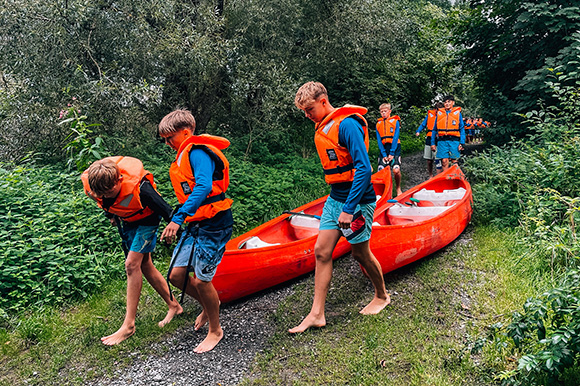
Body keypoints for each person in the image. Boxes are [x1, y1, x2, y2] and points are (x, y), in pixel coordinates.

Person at [289, 82, 390, 334]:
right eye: (304, 111)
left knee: (360, 254)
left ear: (324, 101)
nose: (307, 115)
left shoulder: (347, 125)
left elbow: (364, 169)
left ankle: (381, 295)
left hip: (356, 202)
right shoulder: (324, 127)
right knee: (322, 252)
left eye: (309, 108)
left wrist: (349, 208)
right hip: (335, 199)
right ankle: (317, 314)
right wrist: (340, 205)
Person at [81, 157, 183, 346]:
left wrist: (175, 227)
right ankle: (174, 306)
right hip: (127, 220)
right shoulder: (96, 188)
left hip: (147, 220)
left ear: (120, 180)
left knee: (131, 265)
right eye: (101, 194)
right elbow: (105, 202)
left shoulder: (142, 189)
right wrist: (110, 214)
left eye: (110, 191)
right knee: (145, 265)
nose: (106, 196)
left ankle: (128, 325)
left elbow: (167, 211)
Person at [158, 109, 234, 353]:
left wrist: (177, 218)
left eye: (170, 138)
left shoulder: (198, 152)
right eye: (165, 139)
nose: (167, 143)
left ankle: (216, 330)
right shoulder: (182, 156)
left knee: (202, 280)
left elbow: (203, 187)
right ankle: (210, 304)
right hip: (196, 223)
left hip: (215, 223)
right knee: (176, 276)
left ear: (186, 132)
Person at [431, 95, 465, 171]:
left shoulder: (458, 114)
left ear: (453, 103)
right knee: (444, 161)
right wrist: (433, 143)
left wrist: (462, 143)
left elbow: (462, 129)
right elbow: (434, 130)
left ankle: (455, 179)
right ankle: (446, 179)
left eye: (449, 102)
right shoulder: (439, 114)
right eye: (445, 102)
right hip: (442, 141)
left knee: (454, 162)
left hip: (454, 141)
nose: (447, 104)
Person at [376, 103, 403, 196]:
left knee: (396, 170)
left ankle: (398, 188)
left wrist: (392, 153)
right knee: (381, 171)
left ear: (389, 111)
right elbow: (379, 140)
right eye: (381, 111)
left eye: (385, 111)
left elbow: (395, 137)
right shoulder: (378, 124)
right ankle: (387, 192)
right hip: (384, 148)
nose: (383, 113)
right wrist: (384, 154)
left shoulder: (395, 121)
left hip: (394, 148)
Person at [415, 102, 444, 178]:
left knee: (438, 159)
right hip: (429, 138)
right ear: (436, 109)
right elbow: (423, 124)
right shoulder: (430, 115)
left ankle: (439, 177)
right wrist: (418, 131)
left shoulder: (443, 116)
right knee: (429, 160)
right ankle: (430, 175)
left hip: (438, 139)